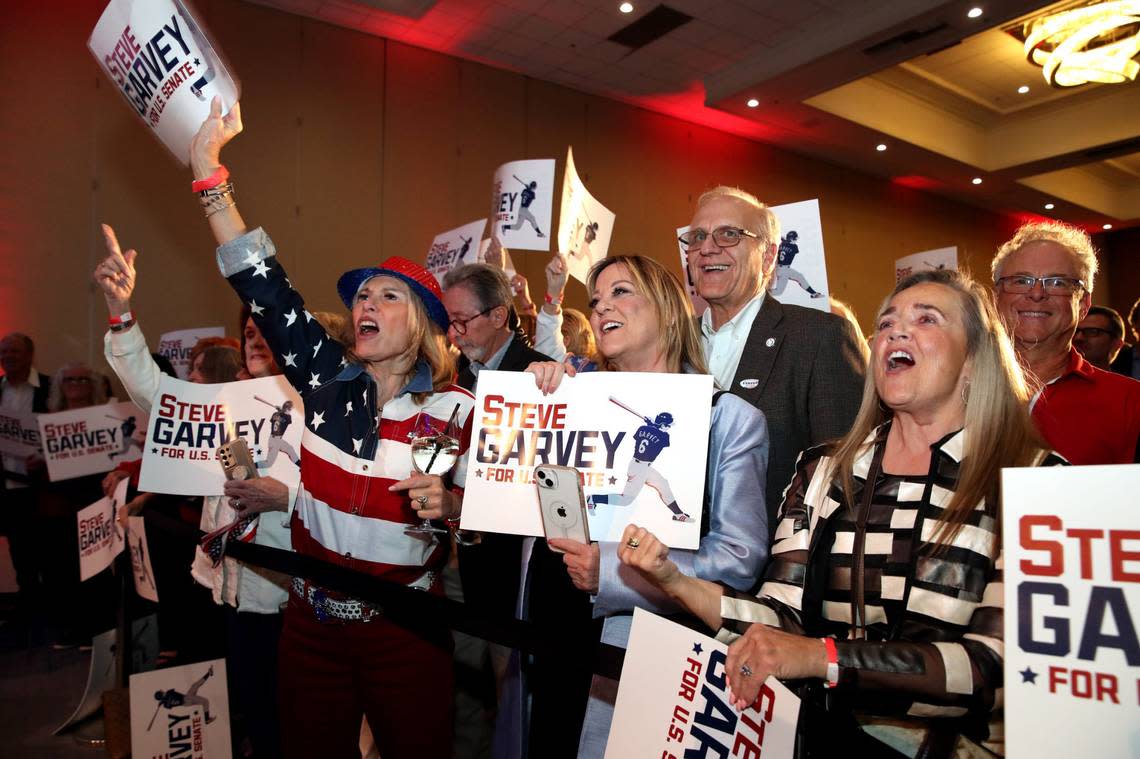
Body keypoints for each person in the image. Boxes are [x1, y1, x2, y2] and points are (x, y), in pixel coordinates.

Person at [620, 269, 1064, 758]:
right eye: (888, 321)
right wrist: (675, 581)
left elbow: (997, 668)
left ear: (975, 360)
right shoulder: (824, 470)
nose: (897, 330)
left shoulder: (1038, 480)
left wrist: (822, 656)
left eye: (927, 319)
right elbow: (781, 619)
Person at [188, 97, 474, 759]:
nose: (365, 302)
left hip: (407, 630)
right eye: (361, 295)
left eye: (386, 294)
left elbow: (500, 515)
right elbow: (267, 288)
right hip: (310, 625)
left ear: (427, 325)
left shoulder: (458, 410)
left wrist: (456, 505)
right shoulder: (324, 380)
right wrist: (210, 174)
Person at [525, 254, 769, 758]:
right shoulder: (574, 396)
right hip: (555, 629)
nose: (600, 308)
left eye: (621, 292)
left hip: (649, 646)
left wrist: (614, 572)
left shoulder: (727, 419)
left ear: (667, 308)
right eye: (594, 301)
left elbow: (740, 560)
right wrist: (538, 404)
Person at [97, 224, 291, 758]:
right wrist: (121, 311)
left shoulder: (310, 407)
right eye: (246, 332)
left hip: (286, 595)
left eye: (263, 332)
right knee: (247, 703)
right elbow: (151, 392)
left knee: (284, 713)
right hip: (227, 585)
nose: (253, 339)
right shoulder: (221, 405)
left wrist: (284, 497)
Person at [682, 186, 865, 526]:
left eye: (728, 235)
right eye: (697, 237)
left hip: (773, 566)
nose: (707, 248)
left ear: (768, 257)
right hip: (668, 563)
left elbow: (842, 479)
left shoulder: (818, 337)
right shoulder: (672, 342)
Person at [440, 262, 551, 757]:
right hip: (455, 560)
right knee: (460, 690)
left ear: (500, 314)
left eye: (462, 321)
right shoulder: (452, 379)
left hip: (513, 568)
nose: (453, 333)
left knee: (514, 693)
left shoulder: (542, 375)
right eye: (449, 321)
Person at [991, 221, 1140, 464]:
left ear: (1083, 305)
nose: (1037, 294)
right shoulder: (947, 388)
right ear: (996, 297)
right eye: (1021, 281)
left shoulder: (1131, 403)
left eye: (1057, 283)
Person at [0, 333, 51, 609]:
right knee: (19, 553)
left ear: (30, 355)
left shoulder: (49, 386)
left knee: (49, 551)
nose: (8, 356)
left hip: (42, 488)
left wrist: (45, 458)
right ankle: (29, 613)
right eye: (4, 351)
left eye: (14, 351)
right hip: (7, 488)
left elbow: (61, 431)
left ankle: (54, 612)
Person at [534, 251, 598, 362]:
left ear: (565, 340)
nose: (535, 338)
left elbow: (548, 329)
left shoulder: (559, 368)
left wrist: (554, 294)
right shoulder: (599, 370)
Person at [770, 229, 824, 298]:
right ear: (791, 239)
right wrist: (785, 241)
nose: (796, 240)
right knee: (778, 292)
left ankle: (814, 293)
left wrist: (784, 241)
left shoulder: (782, 243)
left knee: (800, 276)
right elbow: (792, 248)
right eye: (795, 239)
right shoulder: (794, 247)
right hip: (784, 271)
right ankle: (763, 293)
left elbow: (784, 243)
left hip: (778, 268)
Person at [1074, 305, 1126, 372]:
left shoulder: (1124, 382)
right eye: (1075, 331)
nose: (1078, 338)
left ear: (1116, 344)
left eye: (1092, 332)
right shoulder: (1058, 380)